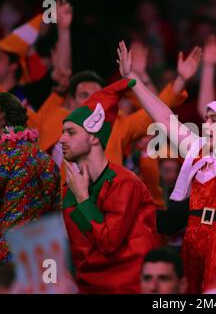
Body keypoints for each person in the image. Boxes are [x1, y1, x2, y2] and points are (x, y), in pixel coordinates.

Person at [117, 18, 216, 293]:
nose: (207, 124)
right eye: (207, 118)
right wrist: (133, 81)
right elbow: (165, 119)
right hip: (193, 239)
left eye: (215, 119)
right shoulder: (200, 151)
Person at [60, 77, 160, 293]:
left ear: (94, 138)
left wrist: (83, 200)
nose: (61, 140)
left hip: (129, 287)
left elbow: (108, 243)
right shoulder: (69, 189)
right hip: (88, 287)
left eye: (70, 132)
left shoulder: (124, 183)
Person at [0, 92, 61, 262]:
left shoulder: (0, 154)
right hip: (36, 263)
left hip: (0, 267)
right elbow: (56, 219)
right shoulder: (47, 161)